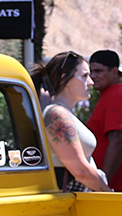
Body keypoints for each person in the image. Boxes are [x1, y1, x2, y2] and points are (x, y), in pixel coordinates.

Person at [33, 52, 112, 193]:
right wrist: (107, 194)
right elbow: (80, 170)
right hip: (70, 200)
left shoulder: (64, 113)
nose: (91, 82)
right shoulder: (57, 115)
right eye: (84, 76)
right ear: (66, 79)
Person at [86, 50, 122, 192]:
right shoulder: (110, 94)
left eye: (98, 71)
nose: (93, 76)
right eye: (91, 72)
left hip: (117, 185)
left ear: (114, 71)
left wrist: (103, 185)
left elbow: (118, 142)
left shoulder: (116, 95)